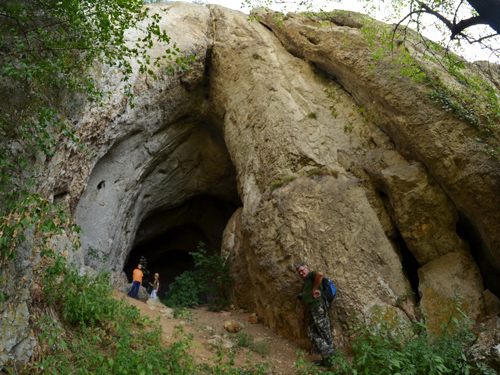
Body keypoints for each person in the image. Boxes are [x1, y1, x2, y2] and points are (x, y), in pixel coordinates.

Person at [296, 263, 336, 367]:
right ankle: (329, 354)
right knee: (311, 332)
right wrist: (303, 315)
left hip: (318, 307)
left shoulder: (312, 275)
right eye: (299, 272)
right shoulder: (305, 285)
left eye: (302, 270)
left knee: (324, 331)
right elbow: (305, 301)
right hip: (311, 310)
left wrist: (315, 289)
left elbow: (320, 274)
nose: (301, 273)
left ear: (307, 268)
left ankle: (331, 359)